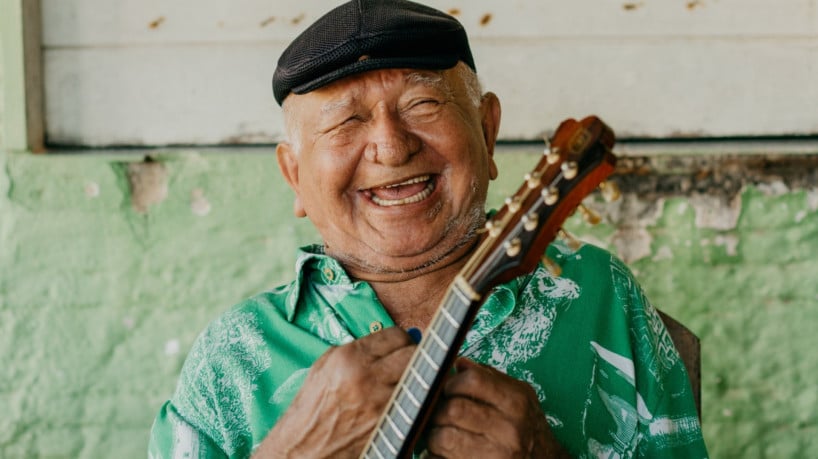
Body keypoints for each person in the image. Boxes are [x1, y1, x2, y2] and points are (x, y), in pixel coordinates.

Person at [149, 0, 709, 457]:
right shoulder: (235, 355)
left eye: (422, 104)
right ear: (294, 175)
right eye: (346, 121)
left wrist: (543, 455)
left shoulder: (597, 295)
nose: (392, 147)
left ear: (487, 132)